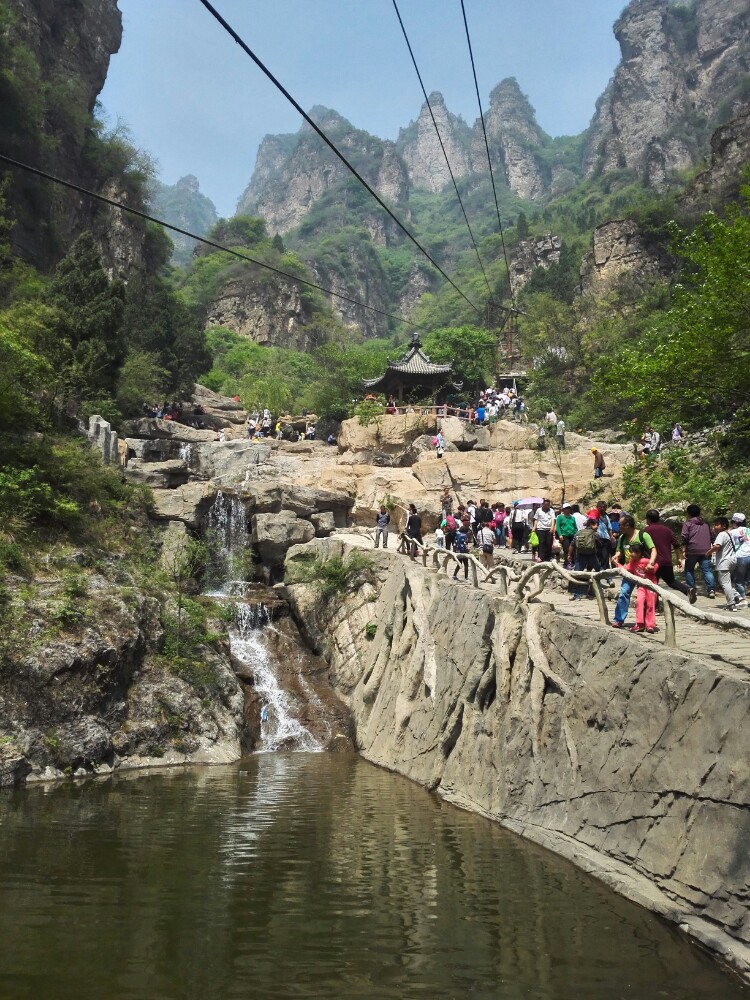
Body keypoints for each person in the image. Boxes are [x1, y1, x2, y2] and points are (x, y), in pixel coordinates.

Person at [611, 516, 656, 627]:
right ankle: (619, 619)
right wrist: (616, 556)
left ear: (627, 525)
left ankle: (645, 623)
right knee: (624, 593)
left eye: (620, 525)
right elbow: (619, 551)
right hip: (629, 570)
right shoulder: (622, 538)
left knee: (645, 598)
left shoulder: (643, 535)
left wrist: (651, 563)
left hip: (643, 572)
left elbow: (653, 550)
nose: (618, 527)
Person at [644, 509, 692, 600]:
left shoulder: (646, 530)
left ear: (648, 519)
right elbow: (676, 545)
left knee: (652, 584)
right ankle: (687, 590)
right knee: (671, 581)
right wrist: (678, 558)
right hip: (667, 561)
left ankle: (654, 606)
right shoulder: (667, 530)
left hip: (654, 562)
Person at [681, 504, 716, 600]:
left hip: (692, 550)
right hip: (706, 550)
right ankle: (711, 590)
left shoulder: (688, 523)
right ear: (699, 512)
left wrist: (683, 550)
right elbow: (712, 535)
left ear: (688, 513)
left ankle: (692, 589)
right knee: (707, 570)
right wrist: (713, 544)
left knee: (689, 569)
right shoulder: (706, 523)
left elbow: (684, 537)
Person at [707, 516, 742, 611]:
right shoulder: (729, 533)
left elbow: (717, 546)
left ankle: (731, 604)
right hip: (732, 560)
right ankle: (737, 596)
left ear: (723, 526)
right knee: (724, 581)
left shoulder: (722, 534)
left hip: (724, 561)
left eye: (717, 525)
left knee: (725, 582)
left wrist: (708, 553)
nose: (715, 527)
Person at [624, 541, 660, 633]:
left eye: (632, 552)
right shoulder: (632, 562)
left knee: (650, 604)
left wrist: (651, 568)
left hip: (651, 586)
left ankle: (650, 625)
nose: (630, 554)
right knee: (639, 602)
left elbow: (655, 566)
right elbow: (626, 569)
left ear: (639, 553)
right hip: (641, 586)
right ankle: (639, 624)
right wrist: (617, 564)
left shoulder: (645, 561)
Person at [569, 516, 600, 600]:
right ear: (592, 525)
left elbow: (572, 545)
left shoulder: (579, 533)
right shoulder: (595, 534)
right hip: (592, 556)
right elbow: (600, 545)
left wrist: (569, 555)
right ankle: (608, 581)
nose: (597, 527)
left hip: (580, 556)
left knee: (577, 574)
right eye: (597, 525)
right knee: (599, 570)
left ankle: (576, 595)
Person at [587, 500, 615, 571]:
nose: (602, 508)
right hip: (595, 538)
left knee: (605, 556)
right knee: (595, 555)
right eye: (600, 507)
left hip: (605, 538)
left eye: (604, 507)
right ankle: (590, 570)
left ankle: (603, 571)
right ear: (597, 507)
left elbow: (609, 528)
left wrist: (611, 538)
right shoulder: (593, 516)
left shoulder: (606, 517)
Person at [730, 513, 750, 605]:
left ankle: (743, 600)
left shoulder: (732, 532)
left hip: (741, 557)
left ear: (735, 522)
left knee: (739, 581)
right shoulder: (749, 530)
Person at [556, 502, 578, 567]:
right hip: (564, 535)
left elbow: (575, 527)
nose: (568, 510)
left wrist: (575, 533)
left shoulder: (572, 518)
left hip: (572, 535)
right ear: (563, 510)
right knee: (566, 549)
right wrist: (560, 535)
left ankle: (573, 562)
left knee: (573, 549)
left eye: (569, 508)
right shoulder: (560, 517)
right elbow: (558, 527)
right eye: (566, 508)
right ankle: (567, 562)